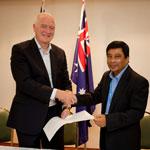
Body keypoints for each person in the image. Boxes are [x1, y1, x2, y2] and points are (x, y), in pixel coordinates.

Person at [7, 12, 76, 150]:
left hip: (55, 117)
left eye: (52, 28)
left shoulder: (59, 53)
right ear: (34, 27)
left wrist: (66, 106)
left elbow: (65, 82)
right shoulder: (20, 50)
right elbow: (25, 83)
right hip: (28, 115)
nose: (48, 31)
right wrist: (57, 93)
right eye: (44, 26)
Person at [75, 41, 149, 150]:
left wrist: (108, 120)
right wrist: (73, 99)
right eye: (109, 56)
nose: (112, 61)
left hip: (125, 142)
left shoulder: (139, 82)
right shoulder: (106, 76)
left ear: (127, 58)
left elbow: (136, 113)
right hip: (106, 138)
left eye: (117, 57)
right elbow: (94, 96)